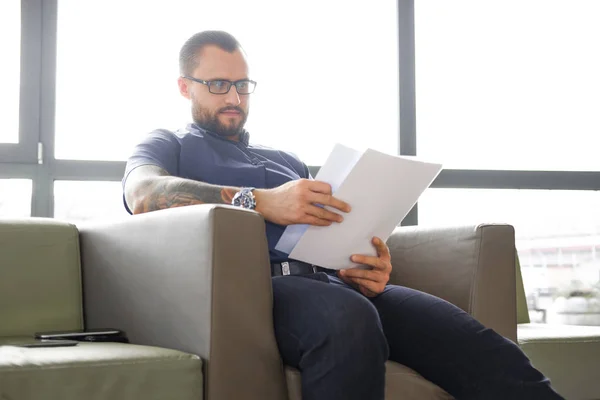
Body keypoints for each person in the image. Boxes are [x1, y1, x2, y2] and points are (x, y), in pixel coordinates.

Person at [122, 30, 564, 400]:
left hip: (336, 282)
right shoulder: (168, 143)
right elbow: (143, 194)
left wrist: (364, 260)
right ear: (186, 86)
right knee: (347, 319)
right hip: (256, 293)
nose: (234, 97)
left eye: (243, 85)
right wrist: (260, 201)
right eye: (218, 85)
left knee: (470, 337)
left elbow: (319, 228)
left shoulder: (285, 159)